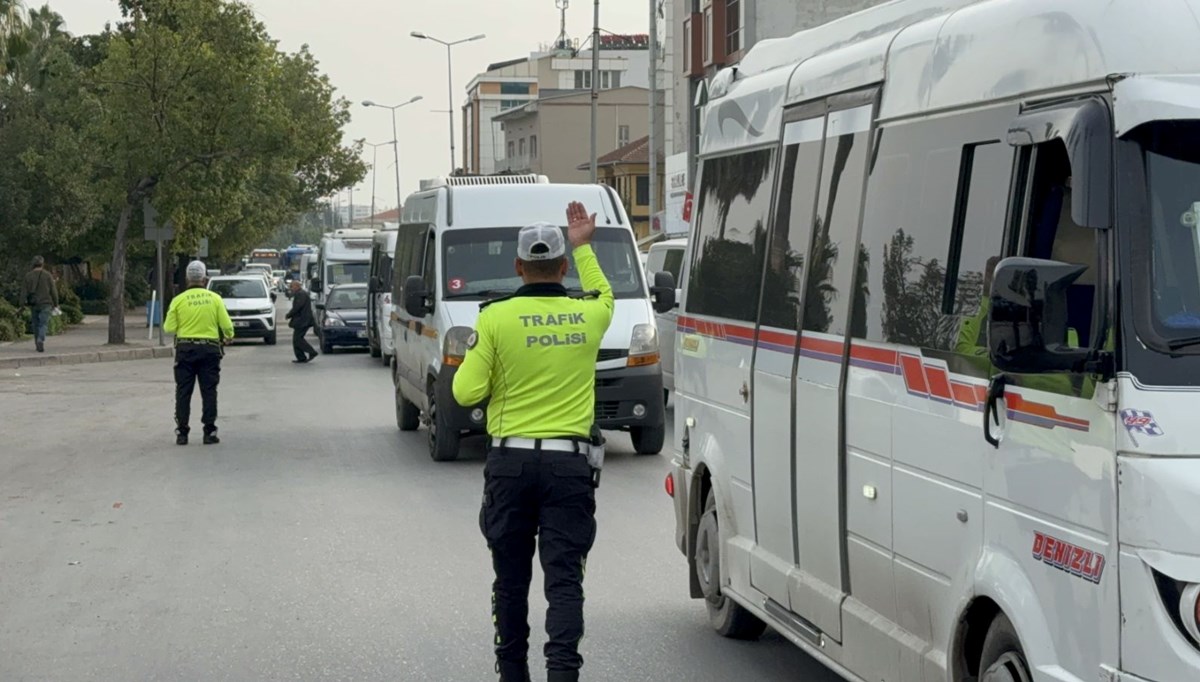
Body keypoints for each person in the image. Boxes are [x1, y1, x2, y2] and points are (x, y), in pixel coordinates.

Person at [453, 202, 615, 682]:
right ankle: (563, 674)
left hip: (511, 467)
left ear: (518, 267)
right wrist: (585, 244)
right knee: (565, 582)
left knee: (511, 581)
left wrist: (482, 355)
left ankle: (512, 675)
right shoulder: (590, 316)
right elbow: (604, 292)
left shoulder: (496, 320)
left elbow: (465, 392)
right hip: (570, 468)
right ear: (563, 266)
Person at [163, 260, 233, 446]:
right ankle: (209, 431)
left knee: (183, 391)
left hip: (185, 349)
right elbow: (226, 325)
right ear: (204, 277)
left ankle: (182, 432)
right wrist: (228, 336)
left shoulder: (178, 300)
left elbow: (169, 327)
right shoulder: (215, 299)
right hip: (210, 349)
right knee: (209, 390)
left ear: (187, 278)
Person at [20, 256, 59, 353]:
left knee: (35, 324)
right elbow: (53, 291)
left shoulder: (28, 276)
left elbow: (23, 292)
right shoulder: (47, 275)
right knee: (43, 323)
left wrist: (21, 305)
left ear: (33, 264)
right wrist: (56, 303)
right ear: (43, 264)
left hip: (34, 304)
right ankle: (40, 339)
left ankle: (37, 344)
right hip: (46, 303)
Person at [285, 279, 318, 363]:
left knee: (298, 339)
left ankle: (311, 352)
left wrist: (289, 315)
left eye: (292, 287)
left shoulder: (301, 294)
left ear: (297, 286)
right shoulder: (300, 293)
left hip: (303, 321)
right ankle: (301, 357)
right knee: (296, 339)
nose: (291, 289)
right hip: (302, 320)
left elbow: (297, 307)